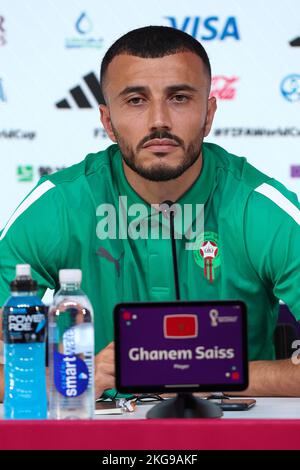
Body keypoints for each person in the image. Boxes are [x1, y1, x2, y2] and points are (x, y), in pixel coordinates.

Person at [0, 25, 300, 402]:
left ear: (208, 115)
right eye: (136, 100)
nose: (159, 120)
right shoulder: (59, 204)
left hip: (233, 434)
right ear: (107, 121)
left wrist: (206, 372)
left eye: (179, 98)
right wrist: (64, 378)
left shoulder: (258, 206)